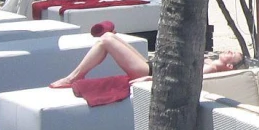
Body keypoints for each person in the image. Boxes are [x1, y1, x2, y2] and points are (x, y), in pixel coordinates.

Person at [49, 23, 246, 88]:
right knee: (111, 37)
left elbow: (183, 80)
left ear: (229, 66)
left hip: (148, 71)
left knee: (107, 39)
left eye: (232, 55)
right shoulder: (211, 62)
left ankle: (73, 78)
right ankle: (75, 76)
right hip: (152, 65)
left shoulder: (210, 69)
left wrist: (149, 79)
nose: (229, 51)